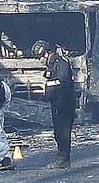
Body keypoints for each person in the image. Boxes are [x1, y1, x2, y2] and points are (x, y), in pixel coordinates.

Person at [32, 40, 76, 169]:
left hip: (64, 104)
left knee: (63, 132)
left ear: (45, 53)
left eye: (40, 57)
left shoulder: (60, 64)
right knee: (58, 132)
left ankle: (63, 160)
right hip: (57, 103)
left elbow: (64, 84)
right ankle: (61, 158)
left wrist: (61, 102)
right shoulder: (52, 65)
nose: (40, 60)